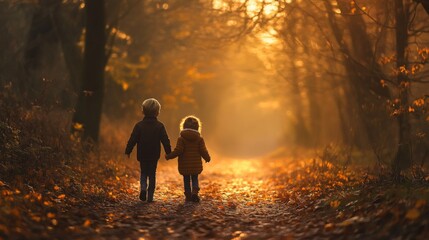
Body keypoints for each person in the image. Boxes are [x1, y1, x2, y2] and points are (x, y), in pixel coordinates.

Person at [125, 98, 171, 202]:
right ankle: (150, 197)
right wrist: (168, 152)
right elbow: (165, 140)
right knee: (152, 174)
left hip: (142, 153)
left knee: (143, 172)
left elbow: (133, 139)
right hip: (154, 154)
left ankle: (143, 188)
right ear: (157, 112)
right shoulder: (160, 126)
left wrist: (128, 150)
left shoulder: (139, 126)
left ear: (143, 111)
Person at [166, 115, 211, 202]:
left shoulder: (181, 138)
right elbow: (203, 150)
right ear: (198, 127)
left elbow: (178, 150)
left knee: (186, 179)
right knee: (195, 178)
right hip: (195, 164)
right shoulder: (199, 139)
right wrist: (207, 158)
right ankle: (195, 192)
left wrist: (169, 156)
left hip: (184, 164)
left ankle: (188, 195)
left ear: (183, 126)